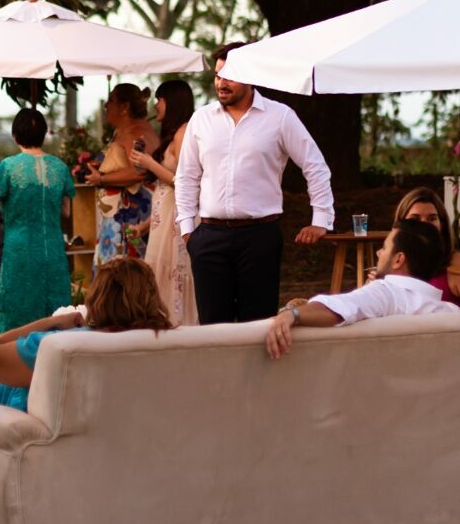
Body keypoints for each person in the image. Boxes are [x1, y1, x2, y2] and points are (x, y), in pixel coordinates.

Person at [175, 43, 334, 323]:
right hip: (209, 238)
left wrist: (321, 218)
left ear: (252, 76)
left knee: (258, 326)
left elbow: (315, 165)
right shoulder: (201, 119)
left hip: (260, 238)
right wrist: (188, 230)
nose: (221, 83)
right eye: (218, 76)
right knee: (213, 328)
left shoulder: (280, 117)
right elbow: (187, 176)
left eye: (230, 76)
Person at [0, 257, 172, 412]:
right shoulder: (170, 344)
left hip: (13, 429)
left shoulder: (62, 344)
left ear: (98, 297)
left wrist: (52, 322)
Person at [266, 219, 459, 359]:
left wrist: (291, 313)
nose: (379, 253)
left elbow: (342, 307)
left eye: (384, 248)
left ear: (398, 259)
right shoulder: (454, 314)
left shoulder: (386, 293)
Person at [0, 107, 76, 330]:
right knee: (54, 308)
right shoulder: (60, 168)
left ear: (15, 136)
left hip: (20, 251)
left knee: (19, 309)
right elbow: (66, 212)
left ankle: (17, 351)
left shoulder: (8, 167)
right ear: (44, 134)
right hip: (53, 250)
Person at [130, 80, 198, 326]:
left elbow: (184, 182)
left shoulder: (184, 133)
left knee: (174, 277)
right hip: (164, 223)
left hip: (177, 225)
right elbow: (165, 190)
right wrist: (145, 226)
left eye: (159, 100)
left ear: (172, 102)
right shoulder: (173, 135)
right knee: (160, 279)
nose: (156, 105)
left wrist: (149, 163)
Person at [392, 187, 460, 311]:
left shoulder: (457, 263)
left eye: (432, 219)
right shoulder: (392, 266)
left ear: (442, 225)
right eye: (415, 219)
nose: (424, 225)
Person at [85, 84, 156, 266]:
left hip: (130, 219)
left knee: (124, 274)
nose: (106, 105)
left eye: (111, 100)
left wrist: (101, 179)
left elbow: (140, 171)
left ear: (124, 106)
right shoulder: (123, 132)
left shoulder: (137, 132)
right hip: (117, 221)